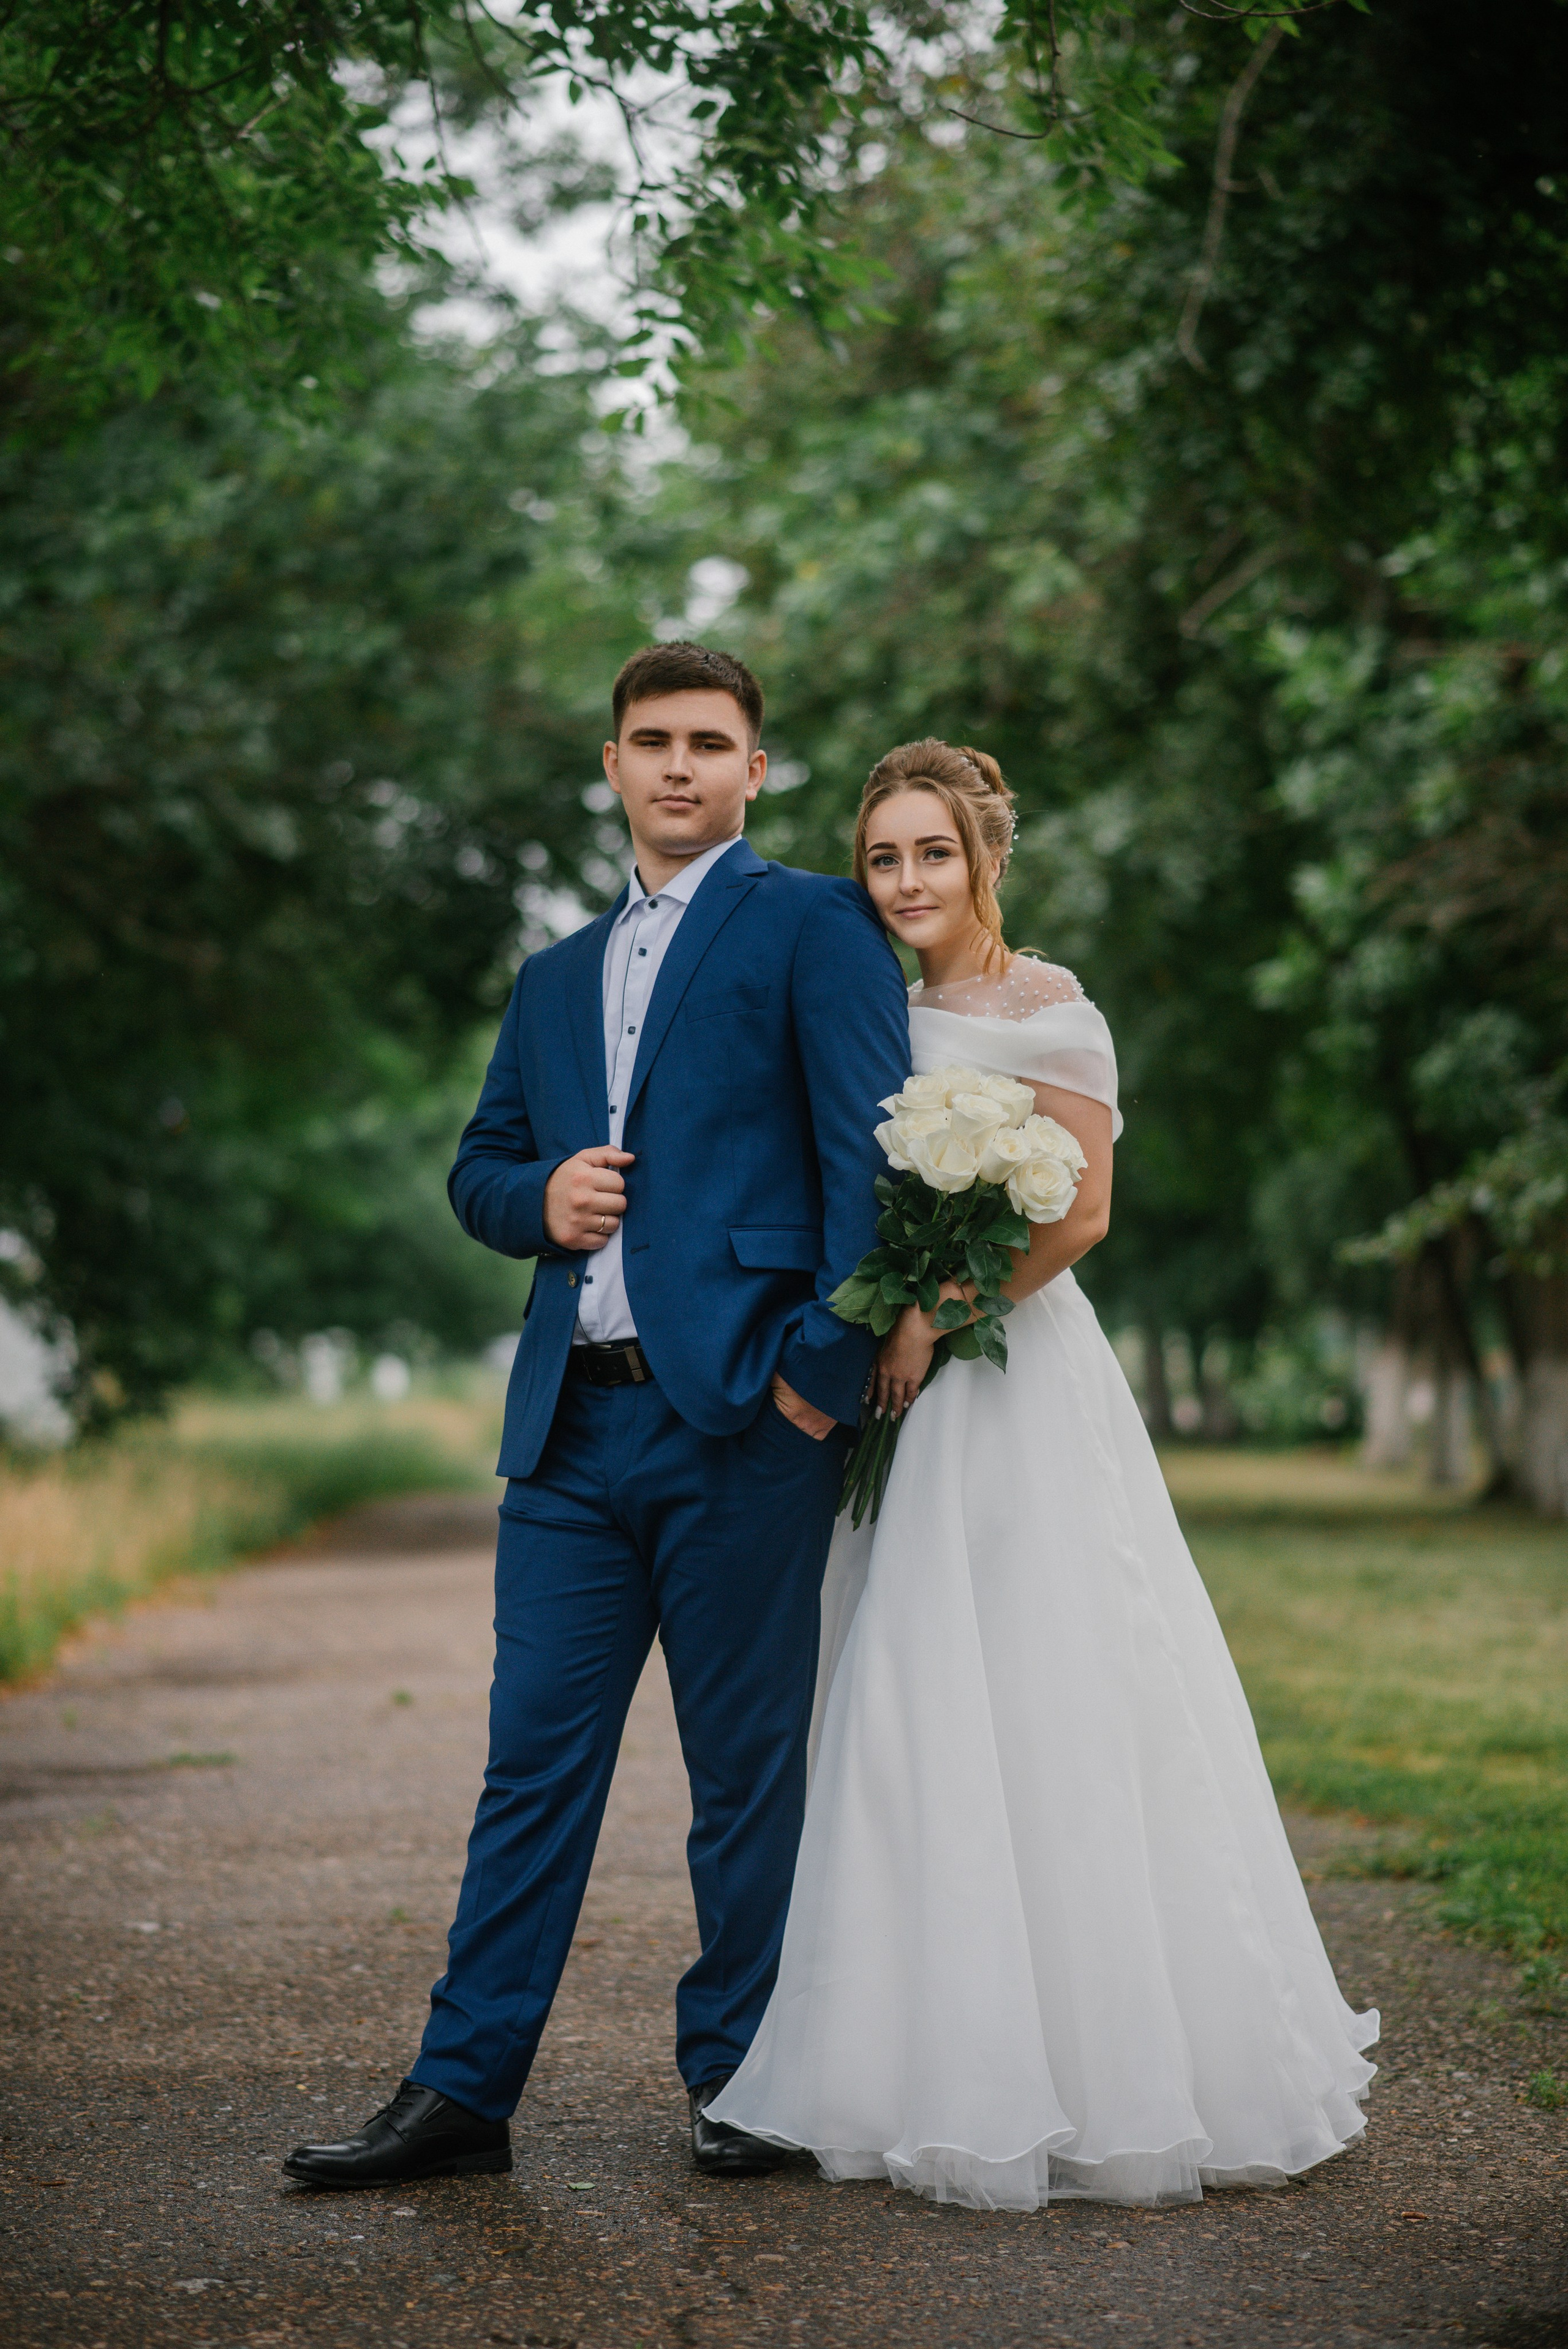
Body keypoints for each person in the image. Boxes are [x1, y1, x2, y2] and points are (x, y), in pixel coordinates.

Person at [709, 738, 1379, 2211]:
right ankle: (911, 2053)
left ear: (982, 857)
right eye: (879, 856)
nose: (901, 881)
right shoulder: (867, 1003)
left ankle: (1110, 2056)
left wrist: (930, 1319)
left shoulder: (1049, 1007)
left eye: (927, 854)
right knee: (900, 1696)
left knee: (1052, 1680)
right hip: (902, 1379)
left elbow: (1077, 1215)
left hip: (1007, 1375)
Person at [282, 644, 910, 2189]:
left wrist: (807, 1394)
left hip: (741, 1426)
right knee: (529, 1768)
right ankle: (461, 2089)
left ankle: (746, 2079)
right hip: (570, 1434)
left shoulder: (811, 926)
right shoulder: (552, 977)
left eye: (710, 741)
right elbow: (477, 1165)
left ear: (757, 770)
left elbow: (872, 1172)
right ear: (613, 766)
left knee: (741, 1771)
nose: (680, 764)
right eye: (652, 741)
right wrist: (537, 1198)